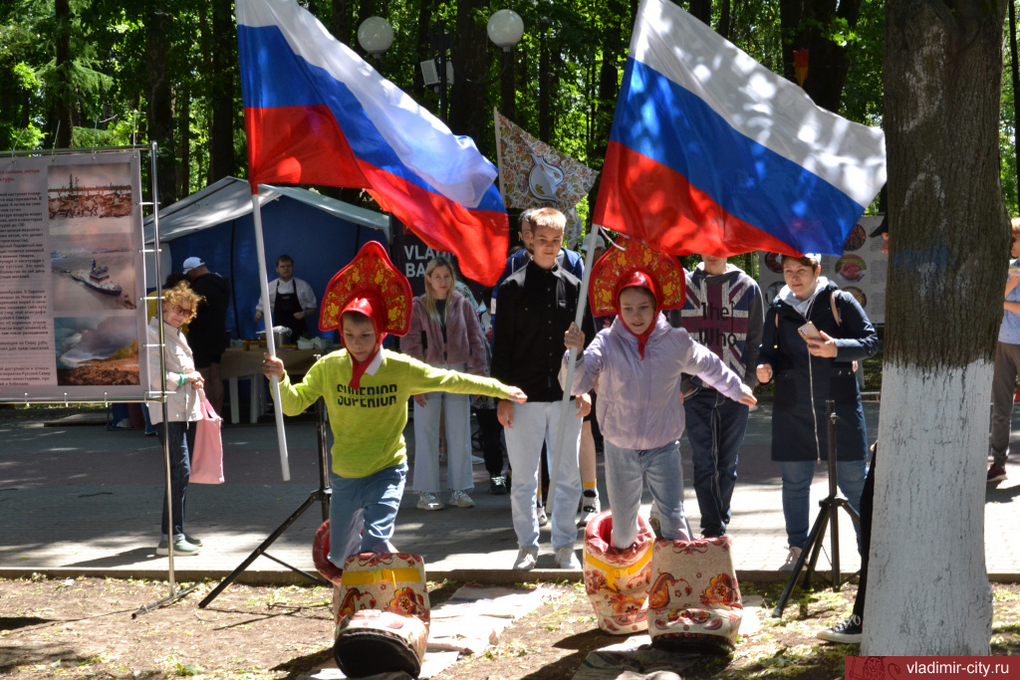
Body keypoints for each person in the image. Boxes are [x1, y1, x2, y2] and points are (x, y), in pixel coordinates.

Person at [262, 242, 526, 571]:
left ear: (381, 333)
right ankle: (358, 595)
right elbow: (292, 405)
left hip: (387, 469)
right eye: (349, 335)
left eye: (365, 335)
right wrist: (280, 380)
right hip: (345, 473)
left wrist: (500, 388)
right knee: (342, 557)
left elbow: (452, 380)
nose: (357, 343)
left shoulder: (400, 368)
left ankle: (384, 601)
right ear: (341, 334)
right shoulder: (329, 367)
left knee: (374, 543)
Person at [562, 238, 756, 551]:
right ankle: (627, 588)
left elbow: (709, 364)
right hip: (619, 447)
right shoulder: (605, 342)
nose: (635, 315)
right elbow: (574, 385)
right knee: (624, 530)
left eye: (643, 308)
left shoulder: (674, 342)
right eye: (627, 309)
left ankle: (680, 587)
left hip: (663, 446)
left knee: (673, 519)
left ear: (656, 306)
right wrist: (573, 355)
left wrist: (735, 387)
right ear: (617, 308)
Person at [756, 253, 879, 571]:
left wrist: (836, 349)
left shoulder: (839, 301)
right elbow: (767, 350)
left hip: (841, 408)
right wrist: (765, 366)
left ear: (816, 271)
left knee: (854, 485)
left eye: (801, 271)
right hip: (792, 410)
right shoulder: (779, 309)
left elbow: (870, 342)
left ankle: (871, 557)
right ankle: (798, 551)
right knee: (795, 484)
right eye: (787, 271)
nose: (794, 277)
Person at [491, 207, 596, 571]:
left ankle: (565, 546)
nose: (549, 247)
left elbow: (591, 345)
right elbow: (501, 348)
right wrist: (501, 397)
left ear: (562, 241)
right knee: (523, 478)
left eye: (556, 241)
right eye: (542, 240)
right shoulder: (511, 288)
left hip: (566, 396)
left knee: (567, 476)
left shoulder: (576, 286)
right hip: (522, 396)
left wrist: (584, 385)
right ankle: (527, 546)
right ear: (529, 240)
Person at [817, 215, 888, 644]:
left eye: (888, 239)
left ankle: (866, 617)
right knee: (871, 504)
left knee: (870, 507)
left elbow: (874, 344)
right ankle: (866, 613)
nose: (881, 248)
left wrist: (839, 348)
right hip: (899, 428)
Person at [677, 255, 764, 537]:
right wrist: (682, 384)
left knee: (727, 462)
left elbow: (755, 339)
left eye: (719, 243)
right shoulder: (683, 287)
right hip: (696, 391)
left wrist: (748, 382)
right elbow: (671, 337)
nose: (712, 250)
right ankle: (712, 528)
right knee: (704, 460)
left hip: (735, 392)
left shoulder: (748, 288)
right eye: (705, 243)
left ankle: (720, 518)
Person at [401, 256, 490, 510]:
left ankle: (460, 490)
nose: (442, 281)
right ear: (428, 278)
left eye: (447, 276)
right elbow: (410, 346)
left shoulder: (462, 304)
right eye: (437, 276)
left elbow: (477, 341)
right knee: (426, 433)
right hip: (427, 372)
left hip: (458, 372)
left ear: (453, 279)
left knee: (460, 430)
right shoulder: (417, 306)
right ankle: (427, 493)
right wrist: (416, 383)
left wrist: (478, 377)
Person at [147, 281, 206, 556]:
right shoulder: (154, 334)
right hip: (168, 412)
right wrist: (186, 377)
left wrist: (192, 378)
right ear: (165, 305)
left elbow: (180, 369)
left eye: (186, 312)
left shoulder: (176, 333)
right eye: (177, 309)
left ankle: (175, 531)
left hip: (182, 411)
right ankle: (170, 537)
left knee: (181, 473)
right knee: (178, 471)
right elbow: (155, 380)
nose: (181, 315)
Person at [577, 231, 608, 526]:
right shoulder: (579, 278)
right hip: (583, 357)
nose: (592, 257)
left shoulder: (609, 272)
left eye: (595, 251)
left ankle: (591, 491)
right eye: (588, 252)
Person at [987, 216, 1020, 484]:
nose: (1010, 244)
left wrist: (1002, 300)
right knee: (1000, 407)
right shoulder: (1008, 267)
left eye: (1014, 239)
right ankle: (998, 463)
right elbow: (991, 300)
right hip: (1002, 344)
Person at [183, 256, 230, 417]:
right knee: (216, 377)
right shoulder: (222, 283)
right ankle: (217, 414)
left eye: (188, 273)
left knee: (203, 378)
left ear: (193, 270)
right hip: (219, 334)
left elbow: (192, 313)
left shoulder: (198, 287)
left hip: (200, 336)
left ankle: (207, 417)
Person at [254, 254, 318, 339]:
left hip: (301, 334)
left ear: (293, 267)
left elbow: (313, 308)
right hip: (279, 335)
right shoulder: (269, 288)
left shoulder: (303, 286)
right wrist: (258, 314)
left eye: (288, 266)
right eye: (282, 266)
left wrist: (304, 313)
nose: (286, 269)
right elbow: (261, 307)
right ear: (277, 269)